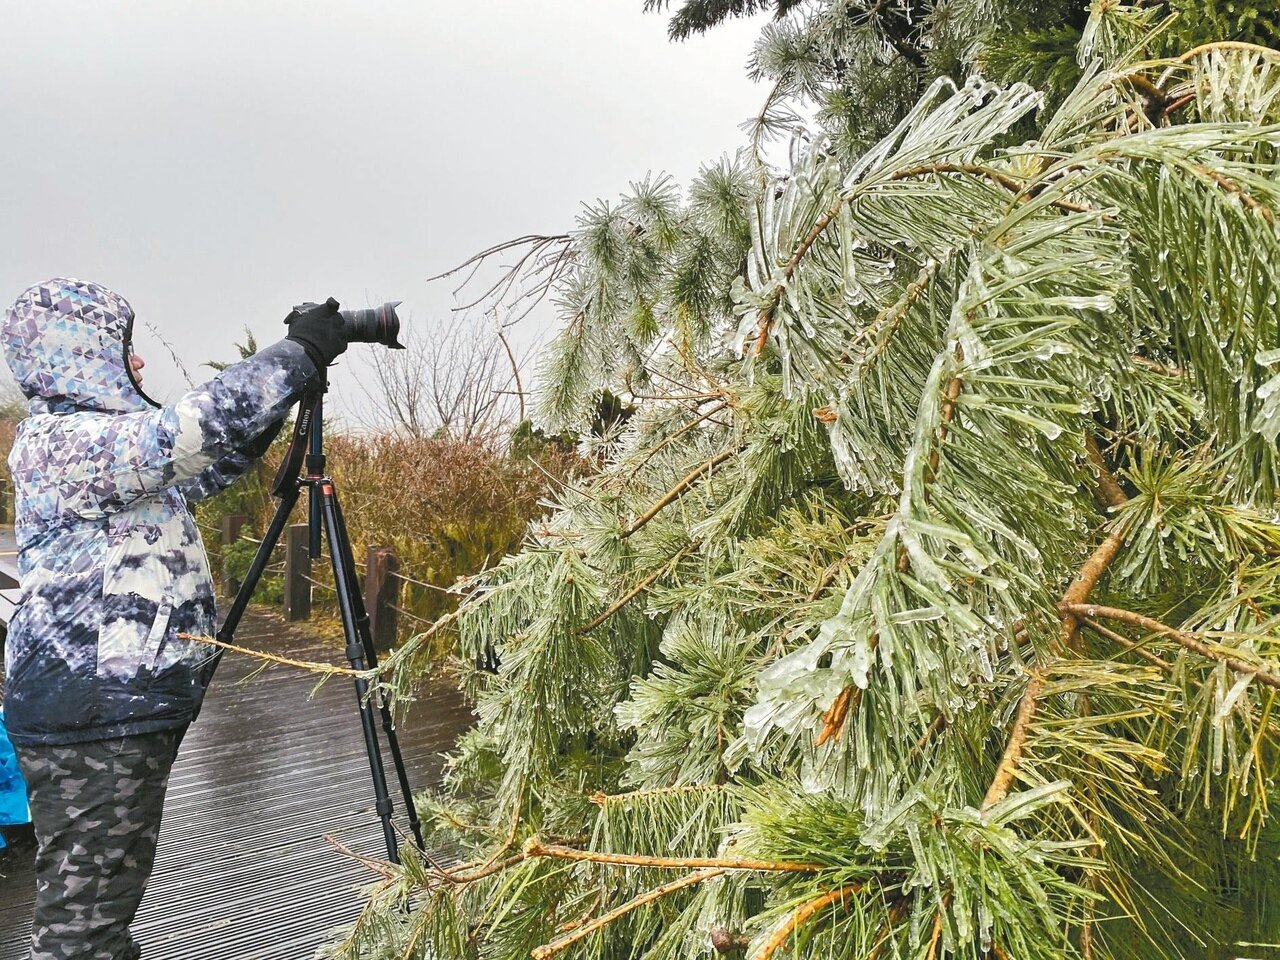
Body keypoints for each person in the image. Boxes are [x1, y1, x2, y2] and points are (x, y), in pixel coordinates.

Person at [0, 278, 348, 960]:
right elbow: (183, 435)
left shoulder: (100, 455)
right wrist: (296, 350)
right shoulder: (63, 444)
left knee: (101, 913)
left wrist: (284, 389)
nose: (137, 364)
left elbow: (204, 465)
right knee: (83, 928)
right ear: (79, 356)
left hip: (109, 711)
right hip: (92, 713)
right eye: (124, 350)